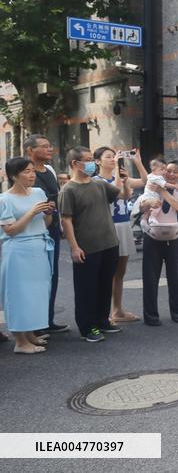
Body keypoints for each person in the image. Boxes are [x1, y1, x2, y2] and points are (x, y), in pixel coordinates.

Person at [59, 146, 130, 342]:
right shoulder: (69, 190)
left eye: (92, 159)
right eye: (88, 160)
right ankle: (87, 327)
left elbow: (123, 196)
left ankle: (102, 320)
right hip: (87, 247)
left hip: (109, 243)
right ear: (75, 163)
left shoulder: (98, 184)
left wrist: (123, 181)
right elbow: (66, 220)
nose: (91, 163)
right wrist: (74, 247)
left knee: (104, 285)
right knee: (86, 289)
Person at [0, 158, 55, 354]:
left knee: (37, 293)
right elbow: (11, 230)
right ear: (14, 176)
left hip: (38, 246)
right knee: (18, 295)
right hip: (17, 251)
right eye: (26, 171)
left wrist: (48, 212)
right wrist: (31, 212)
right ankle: (20, 341)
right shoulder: (5, 199)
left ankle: (30, 333)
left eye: (33, 171)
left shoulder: (39, 193)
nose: (32, 175)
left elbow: (45, 223)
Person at [94, 146, 148, 324]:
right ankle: (103, 313)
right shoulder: (96, 180)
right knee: (106, 272)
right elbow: (116, 190)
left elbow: (144, 181)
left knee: (120, 272)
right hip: (107, 226)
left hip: (124, 225)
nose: (112, 159)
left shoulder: (121, 176)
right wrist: (118, 170)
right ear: (97, 161)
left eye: (114, 157)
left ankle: (117, 310)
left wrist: (137, 161)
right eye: (108, 157)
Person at [23, 134, 68, 334]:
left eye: (50, 146)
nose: (50, 149)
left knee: (51, 274)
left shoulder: (49, 169)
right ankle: (35, 324)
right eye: (44, 146)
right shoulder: (25, 172)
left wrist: (61, 225)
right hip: (34, 229)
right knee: (36, 277)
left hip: (52, 226)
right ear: (30, 150)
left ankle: (48, 319)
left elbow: (57, 198)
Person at [138, 161, 178, 325]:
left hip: (175, 238)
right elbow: (141, 206)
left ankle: (177, 313)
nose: (172, 174)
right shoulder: (152, 185)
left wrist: (163, 192)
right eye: (168, 171)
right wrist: (148, 202)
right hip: (152, 237)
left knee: (175, 277)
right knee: (150, 278)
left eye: (176, 172)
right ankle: (151, 316)